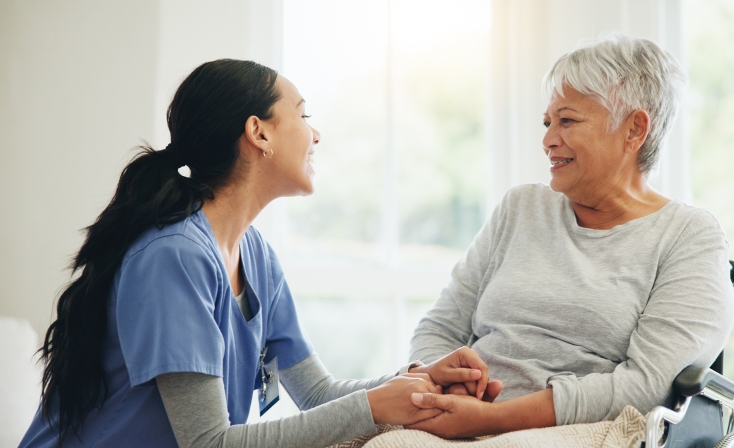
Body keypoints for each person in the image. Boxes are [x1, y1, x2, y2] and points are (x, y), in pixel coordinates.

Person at [20, 59, 494, 448]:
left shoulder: (256, 256)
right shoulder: (175, 257)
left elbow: (317, 393)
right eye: (304, 116)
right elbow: (207, 442)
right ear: (258, 133)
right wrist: (375, 407)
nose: (316, 135)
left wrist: (416, 382)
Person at [404, 34, 734, 438]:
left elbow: (646, 384)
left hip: (585, 430)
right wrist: (440, 379)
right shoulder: (521, 209)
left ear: (634, 130)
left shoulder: (689, 237)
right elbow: (439, 327)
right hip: (460, 417)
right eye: (548, 123)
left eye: (567, 120)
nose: (547, 140)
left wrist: (492, 419)